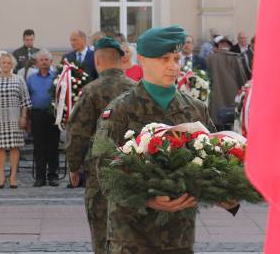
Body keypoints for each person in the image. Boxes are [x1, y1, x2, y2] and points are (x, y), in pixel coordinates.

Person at [92, 26, 239, 253]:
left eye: (177, 58)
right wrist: (147, 200)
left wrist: (224, 191)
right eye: (164, 59)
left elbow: (214, 159)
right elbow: (103, 170)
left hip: (178, 238)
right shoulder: (121, 110)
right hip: (132, 237)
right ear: (142, 60)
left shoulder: (195, 109)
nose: (173, 66)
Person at [66, 37, 136, 254]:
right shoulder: (137, 89)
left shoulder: (91, 91)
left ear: (97, 60)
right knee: (132, 232)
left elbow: (78, 132)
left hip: (101, 171)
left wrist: (73, 166)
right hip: (134, 170)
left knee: (101, 231)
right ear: (121, 61)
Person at [0, 53, 32, 189]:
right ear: (0, 64)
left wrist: (23, 117)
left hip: (15, 119)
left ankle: (12, 177)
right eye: (3, 63)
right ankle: (1, 177)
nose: (6, 65)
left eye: (8, 63)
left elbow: (25, 101)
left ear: (13, 65)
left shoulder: (19, 80)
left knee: (14, 147)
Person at [26, 50, 60, 187]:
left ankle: (53, 176)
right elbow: (27, 99)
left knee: (53, 146)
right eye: (42, 60)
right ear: (37, 63)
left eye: (47, 59)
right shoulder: (31, 79)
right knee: (39, 146)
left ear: (51, 62)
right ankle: (40, 177)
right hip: (36, 115)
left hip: (53, 115)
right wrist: (27, 118)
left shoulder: (57, 77)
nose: (44, 62)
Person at [206, 36, 249, 127]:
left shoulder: (210, 58)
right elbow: (242, 78)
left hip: (215, 96)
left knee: (216, 124)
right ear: (229, 46)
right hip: (232, 96)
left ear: (219, 46)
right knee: (232, 123)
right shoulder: (235, 58)